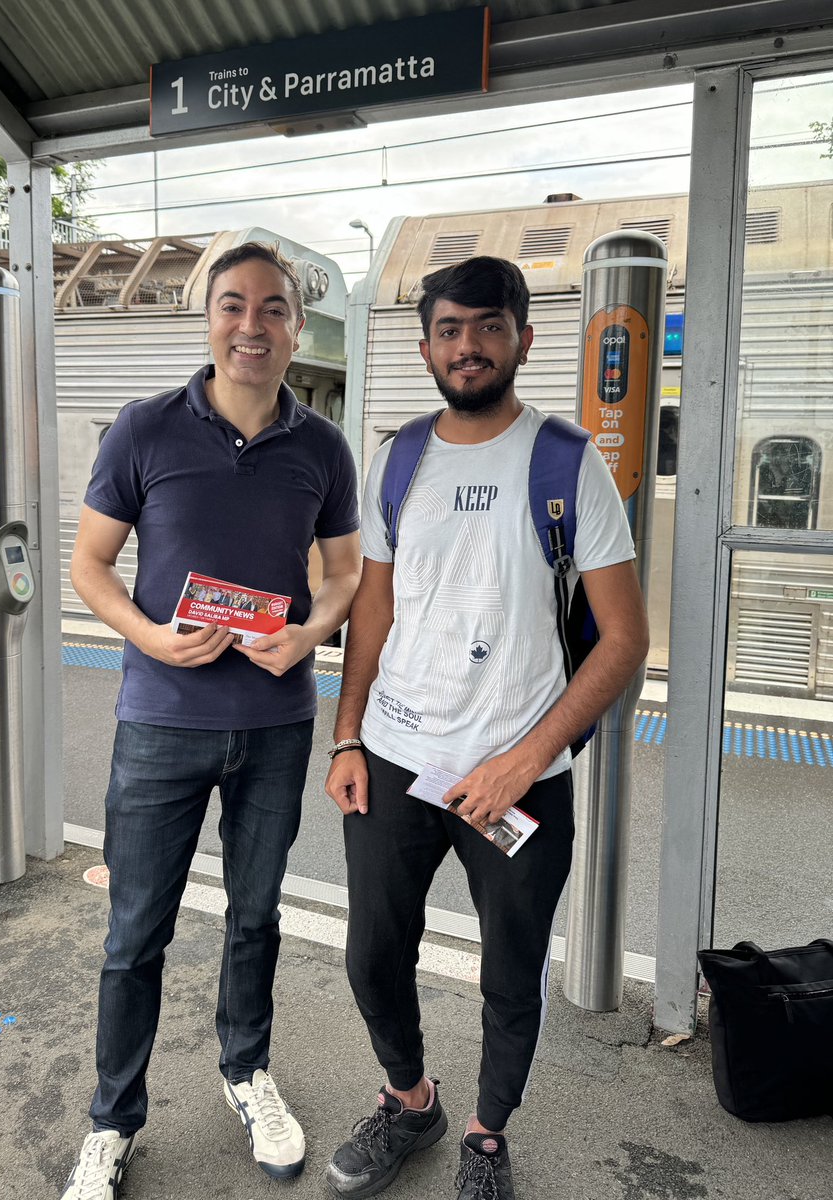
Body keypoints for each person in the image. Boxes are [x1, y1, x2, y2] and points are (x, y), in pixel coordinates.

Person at [324, 257, 648, 1200]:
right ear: (426, 344)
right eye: (450, 329)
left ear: (521, 339)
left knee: (511, 971)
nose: (468, 346)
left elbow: (623, 639)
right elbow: (373, 618)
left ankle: (486, 1135)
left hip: (521, 770)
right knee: (373, 951)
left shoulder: (565, 460)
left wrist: (525, 759)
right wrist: (346, 737)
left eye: (488, 327)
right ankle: (410, 1100)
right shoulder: (395, 459)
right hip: (392, 756)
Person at [63, 242, 361, 1199]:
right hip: (160, 722)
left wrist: (310, 630)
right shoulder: (145, 430)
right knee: (134, 934)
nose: (251, 325)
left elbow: (347, 572)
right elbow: (89, 567)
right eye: (233, 305)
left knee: (254, 918)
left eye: (272, 309)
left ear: (293, 327)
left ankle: (246, 1072)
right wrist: (149, 636)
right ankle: (112, 1123)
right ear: (208, 319)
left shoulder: (321, 446)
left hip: (275, 722)